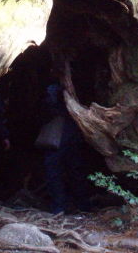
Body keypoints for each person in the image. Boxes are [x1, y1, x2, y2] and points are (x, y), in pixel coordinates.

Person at [41, 82, 90, 214]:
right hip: (71, 137)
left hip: (61, 139)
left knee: (56, 174)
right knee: (75, 172)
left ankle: (60, 207)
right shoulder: (67, 89)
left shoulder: (53, 89)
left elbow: (48, 109)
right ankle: (82, 205)